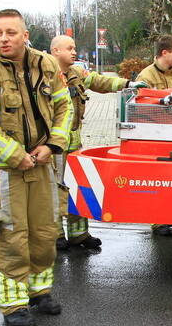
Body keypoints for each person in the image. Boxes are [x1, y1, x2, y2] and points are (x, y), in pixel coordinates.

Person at [0, 9, 73, 326]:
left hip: (42, 164)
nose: (3, 39)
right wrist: (16, 155)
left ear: (24, 36)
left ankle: (39, 292)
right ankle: (13, 304)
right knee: (12, 237)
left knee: (44, 231)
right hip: (4, 172)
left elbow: (64, 107)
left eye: (10, 32)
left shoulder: (47, 65)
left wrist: (53, 144)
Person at [49, 34, 143, 251]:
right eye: (69, 48)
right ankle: (54, 236)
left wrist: (128, 83)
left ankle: (78, 234)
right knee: (54, 190)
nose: (74, 52)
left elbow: (101, 81)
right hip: (53, 145)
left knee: (76, 188)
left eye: (74, 48)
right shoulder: (45, 75)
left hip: (74, 143)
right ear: (56, 51)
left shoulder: (76, 73)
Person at [137, 35, 172, 237]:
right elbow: (140, 106)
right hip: (153, 134)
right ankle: (158, 221)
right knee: (157, 179)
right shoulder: (145, 77)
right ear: (164, 53)